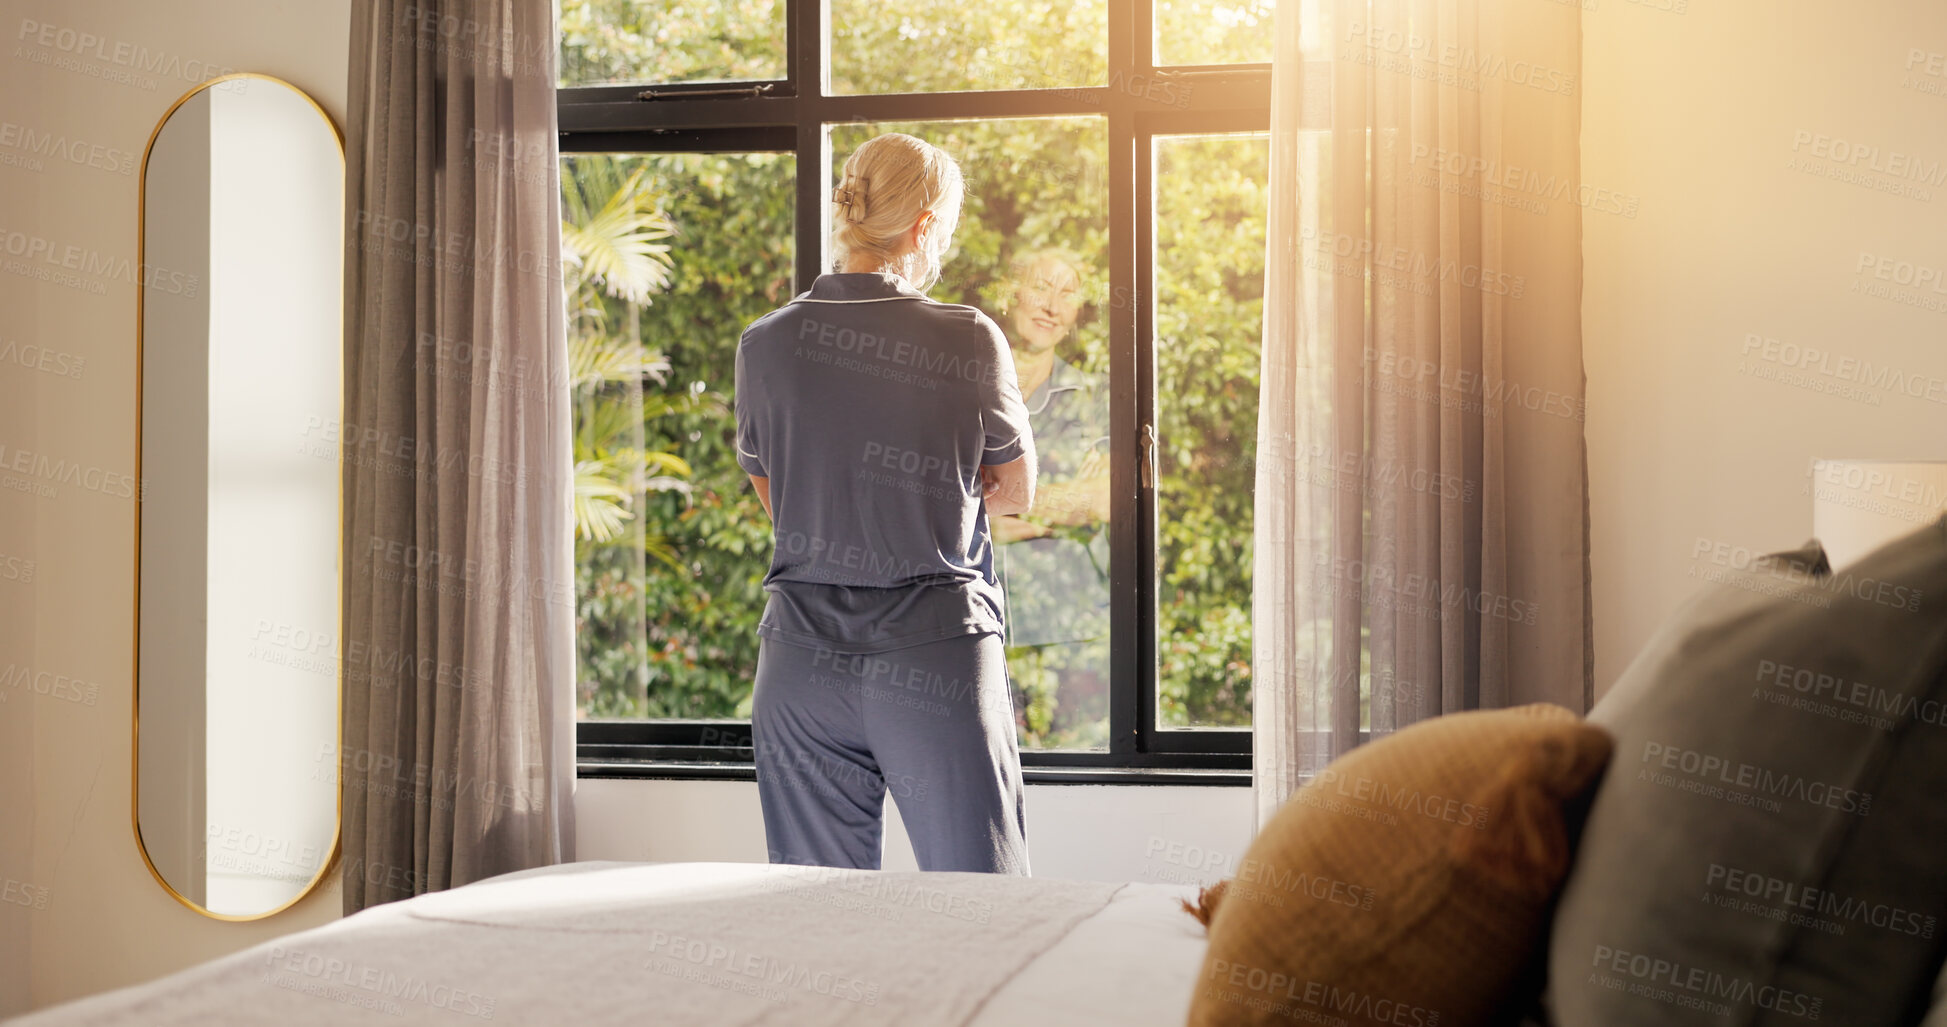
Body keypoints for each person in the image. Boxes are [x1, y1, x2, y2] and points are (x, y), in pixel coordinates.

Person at [732, 132, 1039, 874]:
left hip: (801, 663)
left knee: (819, 923)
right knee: (983, 909)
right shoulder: (965, 336)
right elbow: (1017, 495)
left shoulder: (763, 343)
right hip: (936, 656)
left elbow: (783, 503)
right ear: (923, 225)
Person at [989, 249, 1112, 740]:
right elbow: (941, 490)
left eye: (1068, 293)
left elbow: (1104, 500)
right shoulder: (968, 390)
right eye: (1042, 287)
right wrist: (1065, 502)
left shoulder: (1094, 398)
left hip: (1076, 631)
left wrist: (999, 501)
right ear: (1011, 294)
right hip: (985, 625)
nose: (1052, 306)